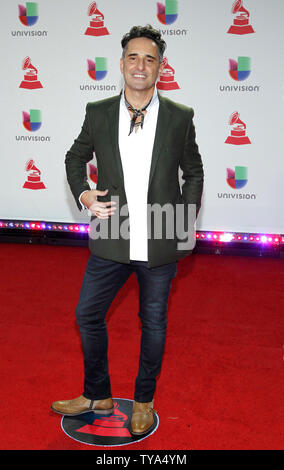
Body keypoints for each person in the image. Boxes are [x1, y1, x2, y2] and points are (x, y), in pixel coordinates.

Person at [51, 25, 204, 436]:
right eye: (133, 57)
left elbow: (193, 172)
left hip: (159, 239)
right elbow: (74, 157)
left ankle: (143, 399)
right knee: (88, 314)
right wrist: (84, 195)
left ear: (160, 68)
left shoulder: (179, 117)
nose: (141, 65)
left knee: (153, 324)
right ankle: (97, 394)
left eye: (150, 58)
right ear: (121, 64)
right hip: (112, 235)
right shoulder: (98, 112)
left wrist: (183, 219)